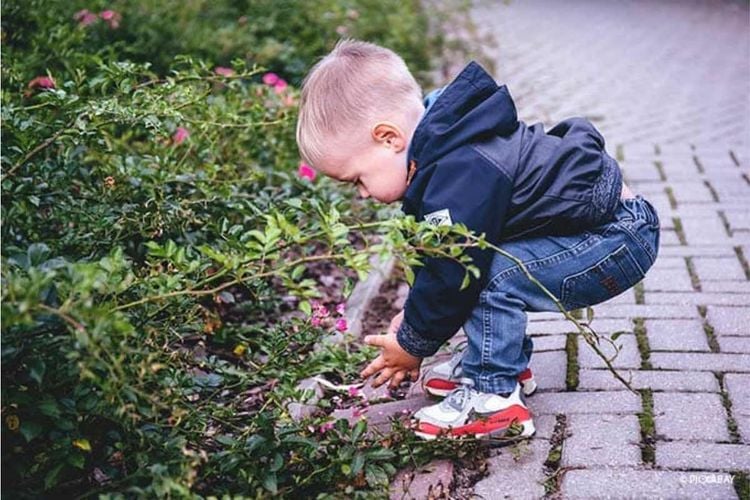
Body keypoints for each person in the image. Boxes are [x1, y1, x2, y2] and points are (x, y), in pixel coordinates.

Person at [295, 39, 659, 440]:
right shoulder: (444, 148)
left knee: (483, 274)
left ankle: (493, 398)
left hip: (614, 241)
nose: (361, 194)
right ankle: (496, 362)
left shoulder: (459, 169)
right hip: (600, 231)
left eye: (357, 180)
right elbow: (437, 258)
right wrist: (413, 317)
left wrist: (413, 343)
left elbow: (453, 272)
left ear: (388, 138)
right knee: (480, 265)